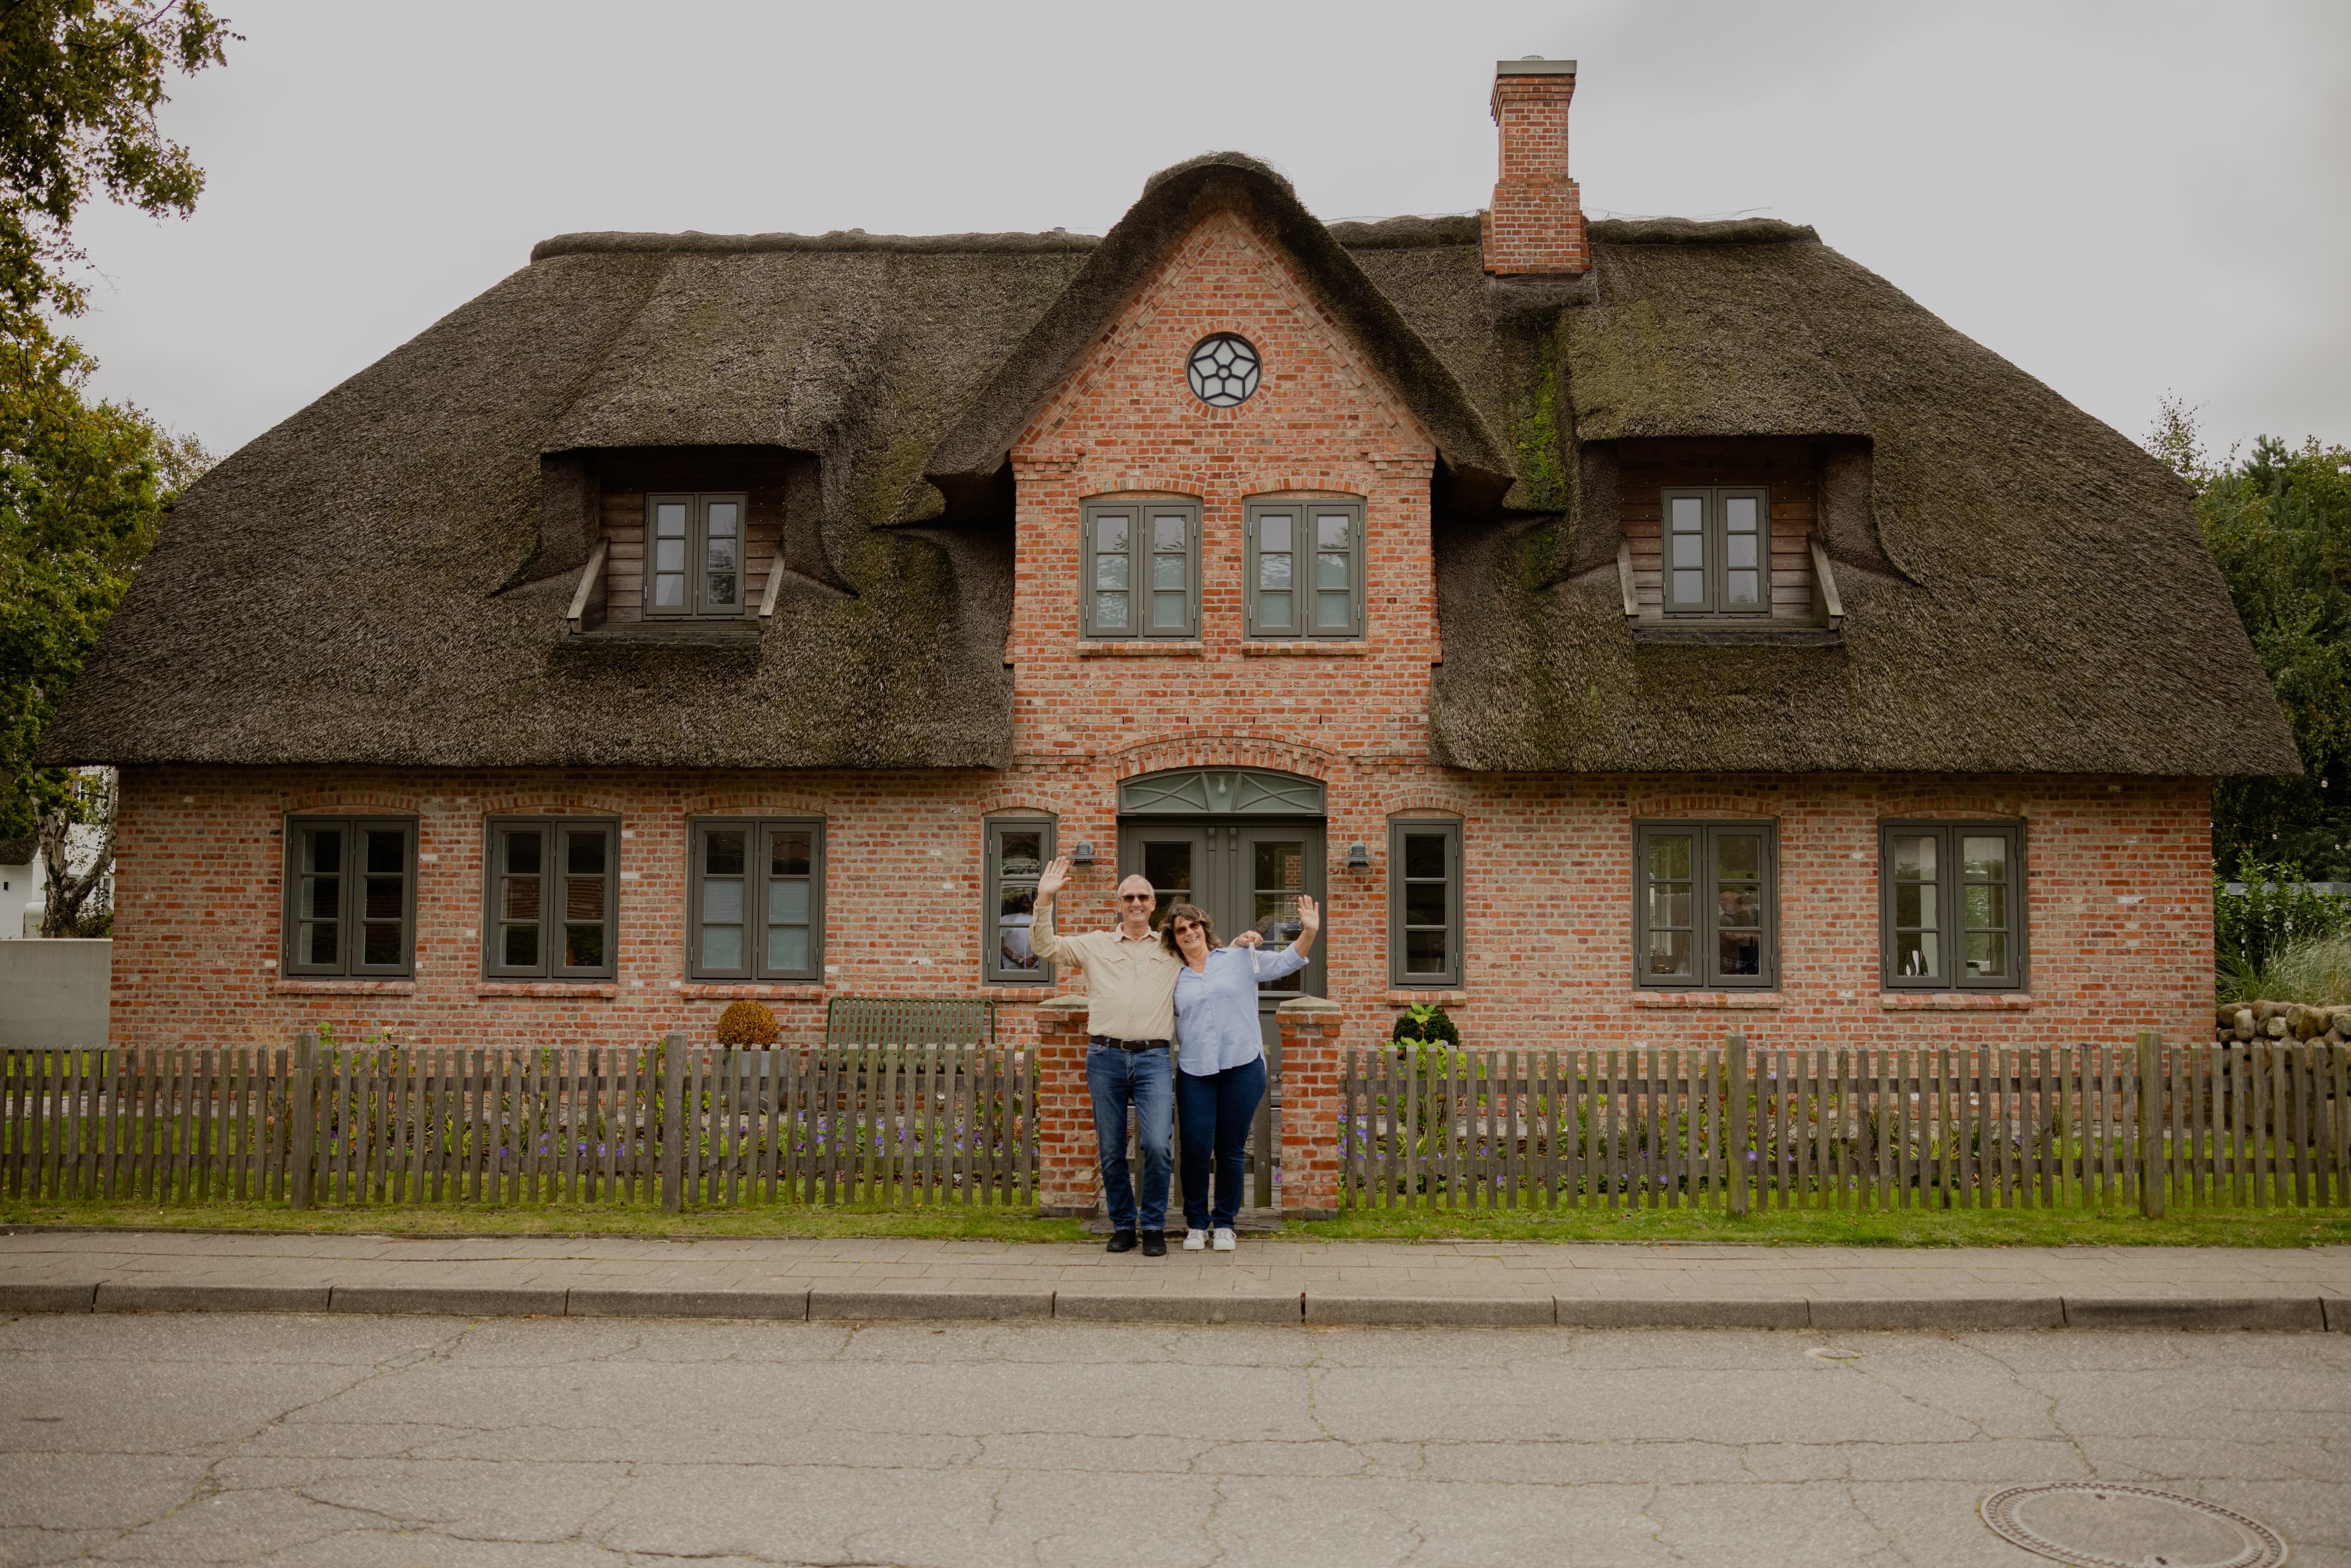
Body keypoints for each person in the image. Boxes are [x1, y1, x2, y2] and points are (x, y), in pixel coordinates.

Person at [1027, 855, 1258, 1256]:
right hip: (1105, 1055)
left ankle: (1152, 1223)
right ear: (1119, 903)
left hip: (1152, 1058)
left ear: (1153, 905)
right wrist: (1044, 899)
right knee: (1112, 1147)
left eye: (1143, 897)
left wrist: (1243, 943)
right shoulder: (1095, 944)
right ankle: (1122, 1224)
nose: (1136, 902)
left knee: (1156, 1144)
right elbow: (1045, 946)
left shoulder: (1170, 950)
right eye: (1128, 896)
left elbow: (1207, 957)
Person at [1165, 893, 1319, 1252]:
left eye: (1194, 926)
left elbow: (1285, 963)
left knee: (1231, 1149)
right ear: (1174, 938)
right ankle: (1196, 1224)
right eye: (1181, 930)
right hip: (1196, 1071)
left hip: (1242, 1067)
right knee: (1196, 1149)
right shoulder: (1172, 976)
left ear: (1204, 928)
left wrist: (1308, 932)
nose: (1189, 933)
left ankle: (1224, 1224)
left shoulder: (1238, 958)